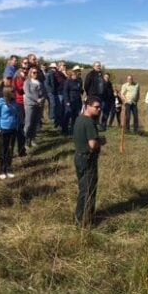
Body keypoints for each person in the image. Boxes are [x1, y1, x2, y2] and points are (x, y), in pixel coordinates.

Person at [73, 96, 106, 227]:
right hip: (88, 159)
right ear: (88, 106)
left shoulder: (79, 119)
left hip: (79, 157)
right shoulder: (89, 122)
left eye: (99, 107)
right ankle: (84, 221)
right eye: (96, 107)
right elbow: (93, 144)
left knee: (83, 189)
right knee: (88, 191)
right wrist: (102, 141)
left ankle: (81, 218)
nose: (99, 109)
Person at [0, 87, 19, 179]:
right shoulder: (0, 103)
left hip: (13, 129)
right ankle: (0, 169)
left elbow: (17, 115)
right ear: (7, 93)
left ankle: (8, 168)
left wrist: (17, 126)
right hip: (3, 129)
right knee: (2, 150)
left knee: (10, 149)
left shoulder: (15, 102)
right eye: (13, 92)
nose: (14, 93)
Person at [24, 67, 44, 148]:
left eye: (37, 72)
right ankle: (25, 141)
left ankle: (33, 139)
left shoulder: (39, 82)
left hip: (39, 105)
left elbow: (44, 92)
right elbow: (28, 93)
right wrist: (37, 99)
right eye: (34, 72)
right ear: (30, 73)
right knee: (28, 123)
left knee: (35, 123)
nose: (35, 74)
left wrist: (42, 99)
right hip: (30, 105)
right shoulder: (27, 82)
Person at [63, 66, 84, 135]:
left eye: (76, 75)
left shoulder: (78, 81)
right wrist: (67, 101)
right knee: (68, 116)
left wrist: (82, 94)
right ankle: (65, 130)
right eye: (74, 75)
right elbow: (65, 92)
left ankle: (73, 130)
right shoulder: (68, 82)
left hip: (77, 101)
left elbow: (80, 90)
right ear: (71, 75)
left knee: (75, 116)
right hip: (70, 101)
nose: (75, 76)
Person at [13, 67, 28, 156]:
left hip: (25, 103)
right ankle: (21, 149)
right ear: (19, 72)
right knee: (20, 126)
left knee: (23, 126)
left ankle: (22, 149)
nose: (25, 72)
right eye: (23, 71)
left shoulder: (25, 79)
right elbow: (21, 90)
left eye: (25, 71)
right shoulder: (17, 80)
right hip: (19, 103)